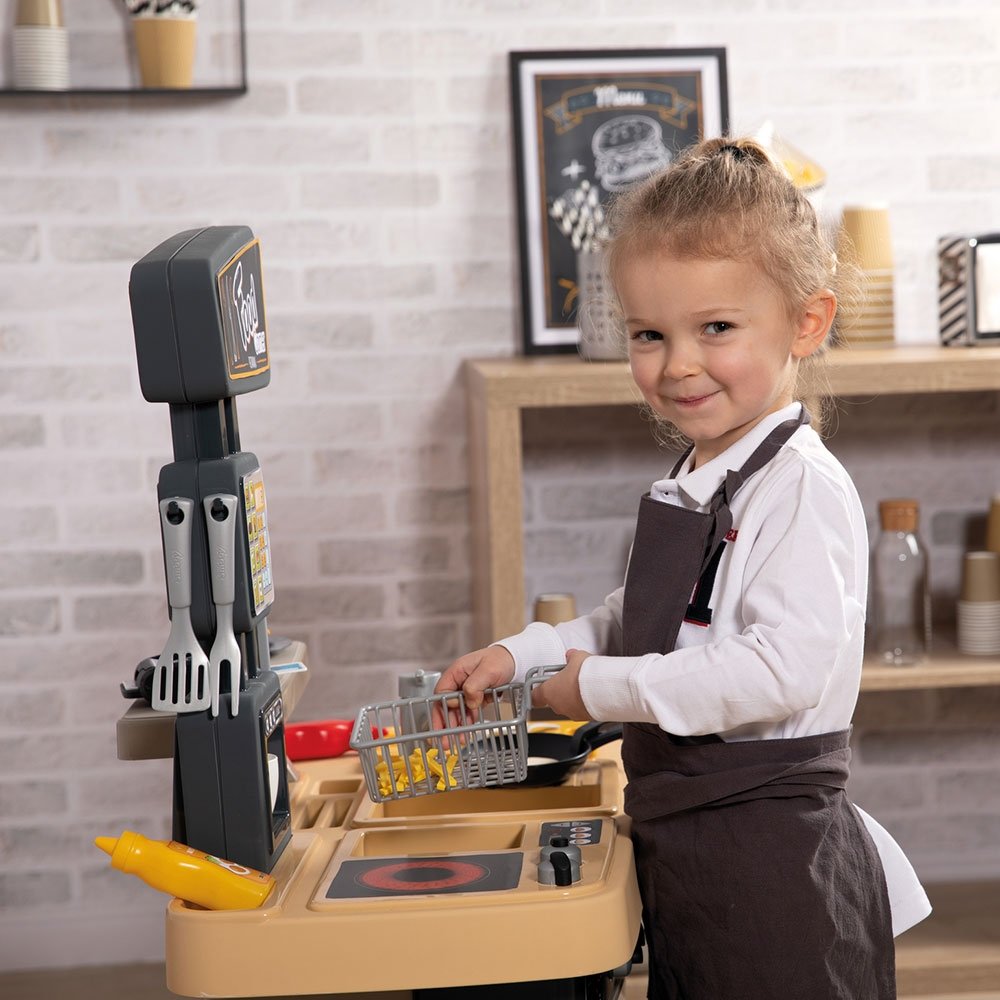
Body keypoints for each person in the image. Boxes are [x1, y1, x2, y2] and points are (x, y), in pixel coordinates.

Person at [437, 136, 930, 998]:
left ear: (807, 322)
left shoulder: (801, 488)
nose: (678, 364)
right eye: (649, 334)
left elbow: (780, 670)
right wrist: (527, 654)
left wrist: (597, 689)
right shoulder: (700, 473)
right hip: (693, 848)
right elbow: (647, 617)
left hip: (770, 863)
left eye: (717, 328)